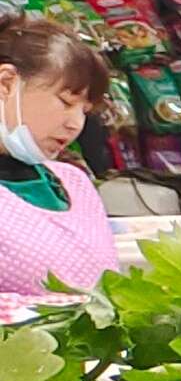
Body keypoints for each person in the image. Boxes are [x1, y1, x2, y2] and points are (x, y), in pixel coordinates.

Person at [0, 17, 116, 299]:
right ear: (6, 84)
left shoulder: (74, 183)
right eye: (65, 102)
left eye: (84, 111)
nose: (75, 124)